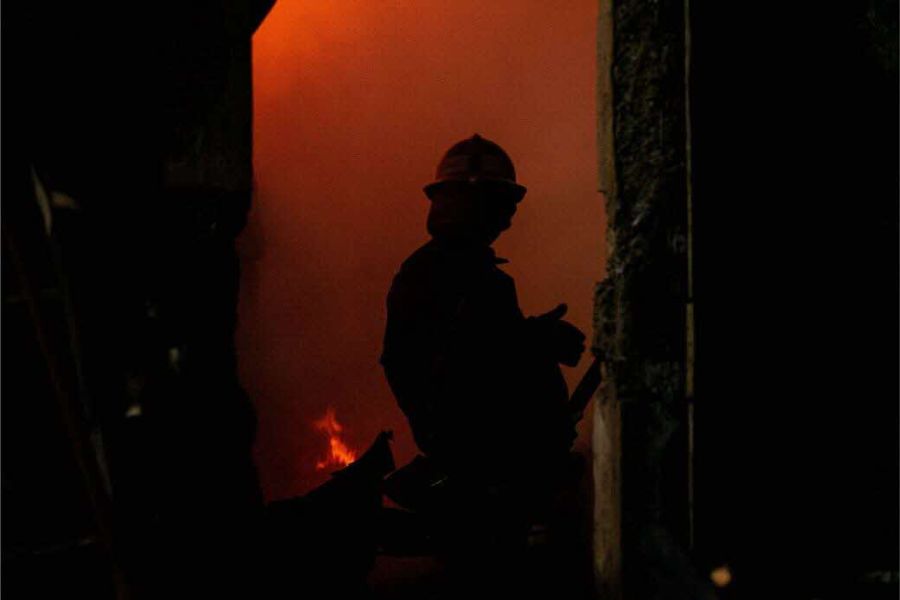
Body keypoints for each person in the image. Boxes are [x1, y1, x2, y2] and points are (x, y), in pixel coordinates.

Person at [380, 135, 586, 538]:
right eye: (499, 206)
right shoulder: (438, 275)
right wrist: (535, 341)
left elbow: (481, 344)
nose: (506, 219)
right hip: (481, 471)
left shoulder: (467, 273)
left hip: (492, 467)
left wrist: (530, 336)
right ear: (467, 203)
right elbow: (460, 364)